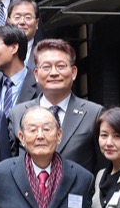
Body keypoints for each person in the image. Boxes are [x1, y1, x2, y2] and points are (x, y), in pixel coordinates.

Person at [10, 39, 106, 173]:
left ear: (73, 72)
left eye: (61, 66)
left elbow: (104, 168)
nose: (54, 73)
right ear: (36, 74)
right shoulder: (17, 114)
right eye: (47, 67)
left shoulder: (93, 113)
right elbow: (9, 166)